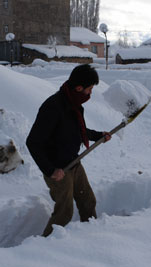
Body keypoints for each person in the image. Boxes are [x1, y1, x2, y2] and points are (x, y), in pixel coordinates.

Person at [26, 64, 111, 237]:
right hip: (59, 169)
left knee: (88, 201)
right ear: (79, 88)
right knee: (64, 213)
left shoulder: (73, 103)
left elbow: (78, 130)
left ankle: (90, 236)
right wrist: (51, 171)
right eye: (89, 89)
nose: (90, 94)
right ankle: (42, 248)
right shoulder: (53, 107)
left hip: (74, 163)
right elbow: (33, 142)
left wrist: (98, 135)